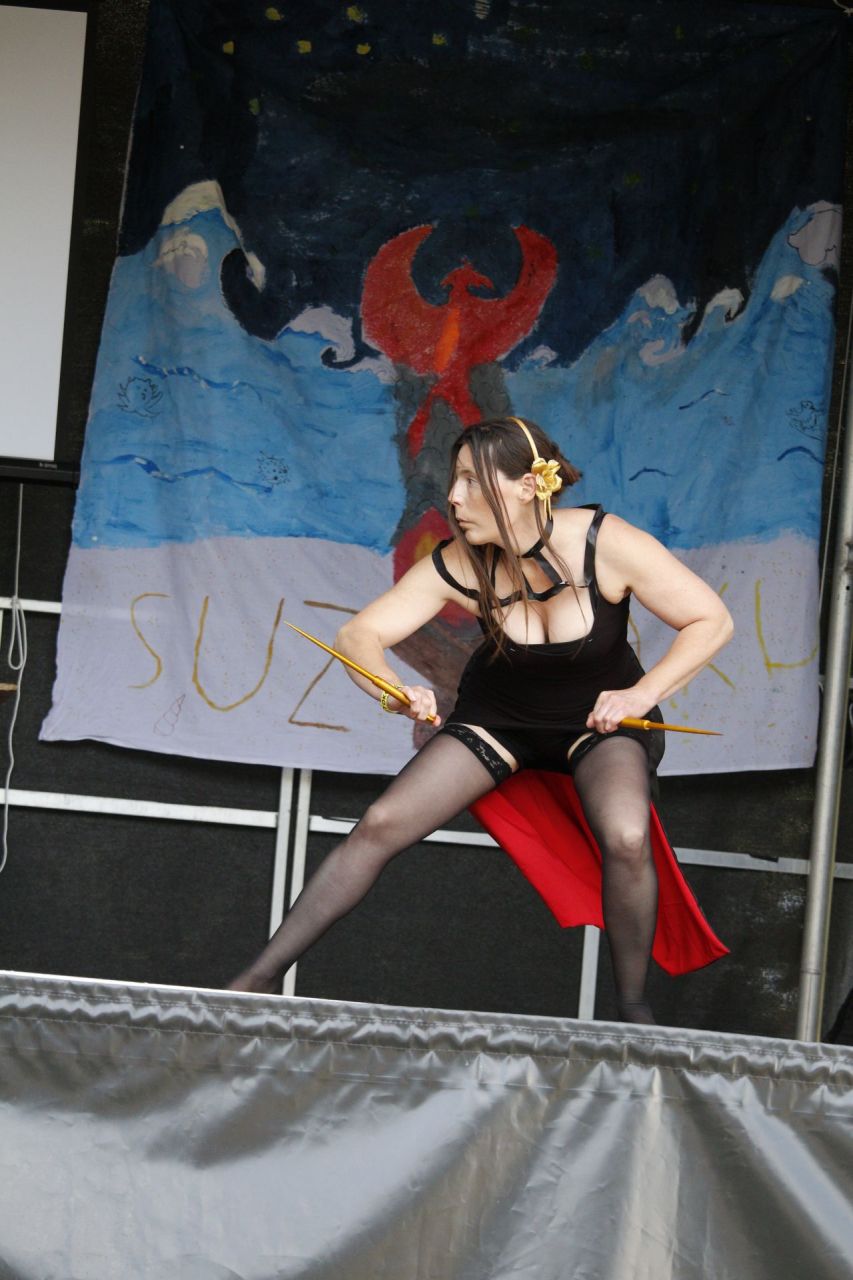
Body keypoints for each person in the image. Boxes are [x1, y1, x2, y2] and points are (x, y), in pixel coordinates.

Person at [229, 416, 733, 1022]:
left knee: (627, 837)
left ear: (528, 486)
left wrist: (639, 695)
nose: (453, 496)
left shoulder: (607, 542)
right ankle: (254, 981)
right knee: (381, 823)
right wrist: (391, 689)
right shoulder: (459, 563)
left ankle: (632, 1011)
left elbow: (711, 620)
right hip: (500, 717)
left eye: (471, 480)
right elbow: (357, 635)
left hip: (598, 724)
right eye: (455, 479)